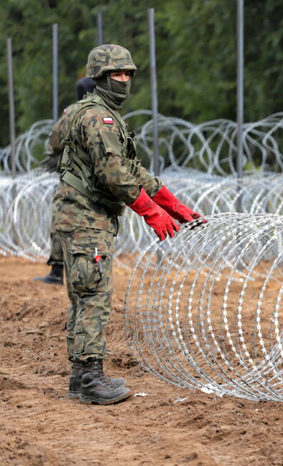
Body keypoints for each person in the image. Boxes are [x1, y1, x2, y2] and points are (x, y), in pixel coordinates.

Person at [53, 44, 204, 405]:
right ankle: (90, 378)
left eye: (127, 74)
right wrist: (151, 213)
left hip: (86, 217)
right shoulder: (98, 119)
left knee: (86, 295)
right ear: (99, 78)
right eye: (115, 75)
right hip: (86, 218)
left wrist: (174, 206)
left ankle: (81, 377)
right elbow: (114, 175)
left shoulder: (103, 114)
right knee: (93, 296)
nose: (123, 80)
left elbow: (132, 170)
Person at [34, 77, 96, 285]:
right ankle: (94, 269)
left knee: (62, 220)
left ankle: (57, 271)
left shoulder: (73, 112)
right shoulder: (107, 111)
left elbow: (55, 139)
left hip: (75, 178)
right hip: (101, 178)